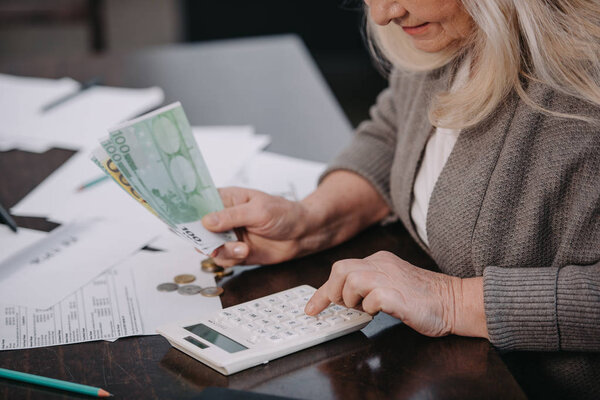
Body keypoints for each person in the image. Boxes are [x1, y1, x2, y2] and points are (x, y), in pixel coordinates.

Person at [201, 0, 600, 354]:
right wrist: (313, 219)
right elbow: (395, 130)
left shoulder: (583, 90)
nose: (381, 13)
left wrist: (454, 301)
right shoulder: (450, 32)